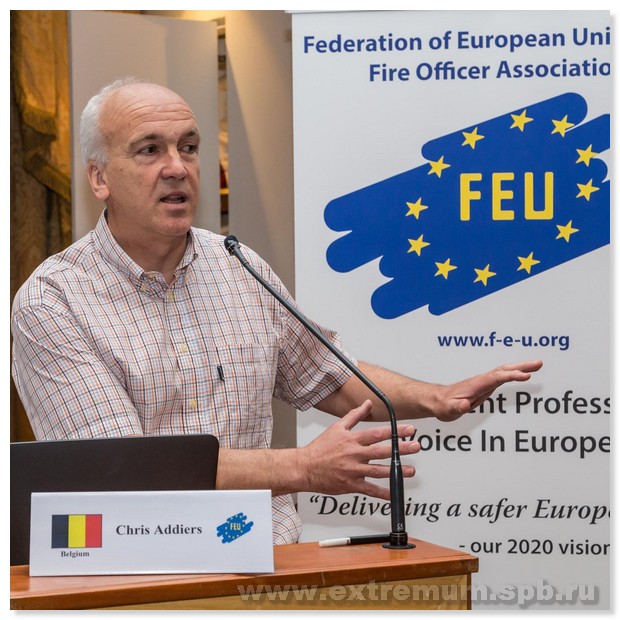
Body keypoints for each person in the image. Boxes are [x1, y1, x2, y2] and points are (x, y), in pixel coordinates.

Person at [11, 78, 543, 544]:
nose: (177, 168)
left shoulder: (237, 265)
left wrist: (436, 397)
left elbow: (330, 377)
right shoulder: (54, 300)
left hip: (267, 560)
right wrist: (303, 467)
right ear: (99, 178)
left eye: (189, 147)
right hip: (141, 575)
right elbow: (122, 469)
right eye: (149, 150)